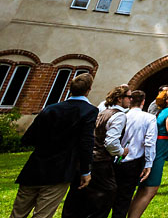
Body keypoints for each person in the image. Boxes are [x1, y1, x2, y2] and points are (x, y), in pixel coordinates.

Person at [10, 72, 98, 218]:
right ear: (88, 90)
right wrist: (85, 171)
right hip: (60, 170)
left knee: (18, 213)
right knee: (43, 215)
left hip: (35, 167)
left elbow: (28, 139)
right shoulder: (89, 111)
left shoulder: (50, 108)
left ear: (70, 89)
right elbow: (86, 143)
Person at [63, 84, 132, 218]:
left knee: (79, 194)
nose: (131, 100)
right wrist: (121, 151)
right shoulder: (119, 116)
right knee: (105, 195)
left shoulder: (102, 112)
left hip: (88, 158)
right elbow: (111, 142)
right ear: (119, 98)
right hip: (101, 162)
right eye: (129, 97)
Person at [129, 89, 168, 218]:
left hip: (157, 149)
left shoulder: (164, 111)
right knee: (151, 188)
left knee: (143, 188)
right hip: (158, 151)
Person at [114, 90, 157, 218]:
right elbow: (149, 142)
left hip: (114, 158)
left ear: (130, 100)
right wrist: (149, 163)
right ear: (143, 102)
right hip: (133, 161)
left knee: (109, 196)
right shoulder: (149, 118)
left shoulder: (121, 115)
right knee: (124, 198)